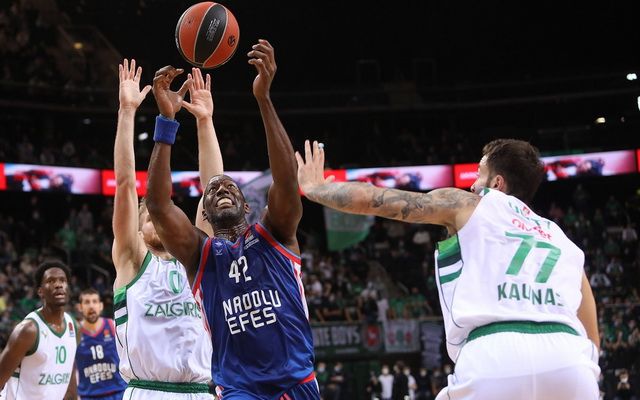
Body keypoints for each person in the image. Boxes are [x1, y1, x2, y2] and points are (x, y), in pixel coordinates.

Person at [296, 138, 600, 400]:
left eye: (479, 174)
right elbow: (591, 335)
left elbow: (377, 200)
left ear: (497, 183)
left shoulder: (468, 204)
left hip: (495, 352)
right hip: (570, 360)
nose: (472, 183)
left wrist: (315, 189)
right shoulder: (562, 240)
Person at [145, 39, 319, 399]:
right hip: (240, 388)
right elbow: (159, 206)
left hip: (296, 381)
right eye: (213, 189)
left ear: (248, 206)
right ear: (204, 213)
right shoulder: (200, 254)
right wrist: (166, 121)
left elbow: (286, 181)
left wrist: (263, 98)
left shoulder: (275, 233)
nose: (222, 188)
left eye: (230, 186)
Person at [111, 59, 220, 399]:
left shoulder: (197, 259)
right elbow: (125, 184)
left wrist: (205, 121)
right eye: (150, 217)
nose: (158, 221)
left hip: (201, 390)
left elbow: (214, 189)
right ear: (137, 229)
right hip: (148, 391)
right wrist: (127, 111)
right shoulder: (131, 259)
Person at [0, 260, 80, 400]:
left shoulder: (74, 327)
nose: (58, 285)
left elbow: (69, 379)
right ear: (40, 291)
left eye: (62, 280)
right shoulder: (28, 330)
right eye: (51, 281)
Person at [75, 288, 127, 400]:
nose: (91, 306)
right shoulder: (75, 333)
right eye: (87, 302)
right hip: (88, 395)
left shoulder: (112, 326)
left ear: (101, 306)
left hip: (118, 392)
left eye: (94, 301)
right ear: (80, 307)